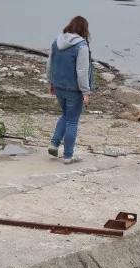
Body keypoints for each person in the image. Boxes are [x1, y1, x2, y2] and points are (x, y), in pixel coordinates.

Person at [46, 16, 94, 164]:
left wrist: (51, 82)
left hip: (59, 86)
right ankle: (68, 156)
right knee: (72, 121)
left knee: (66, 115)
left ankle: (54, 143)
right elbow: (82, 71)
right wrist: (86, 91)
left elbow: (49, 64)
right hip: (74, 89)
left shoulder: (56, 41)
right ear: (84, 29)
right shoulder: (82, 46)